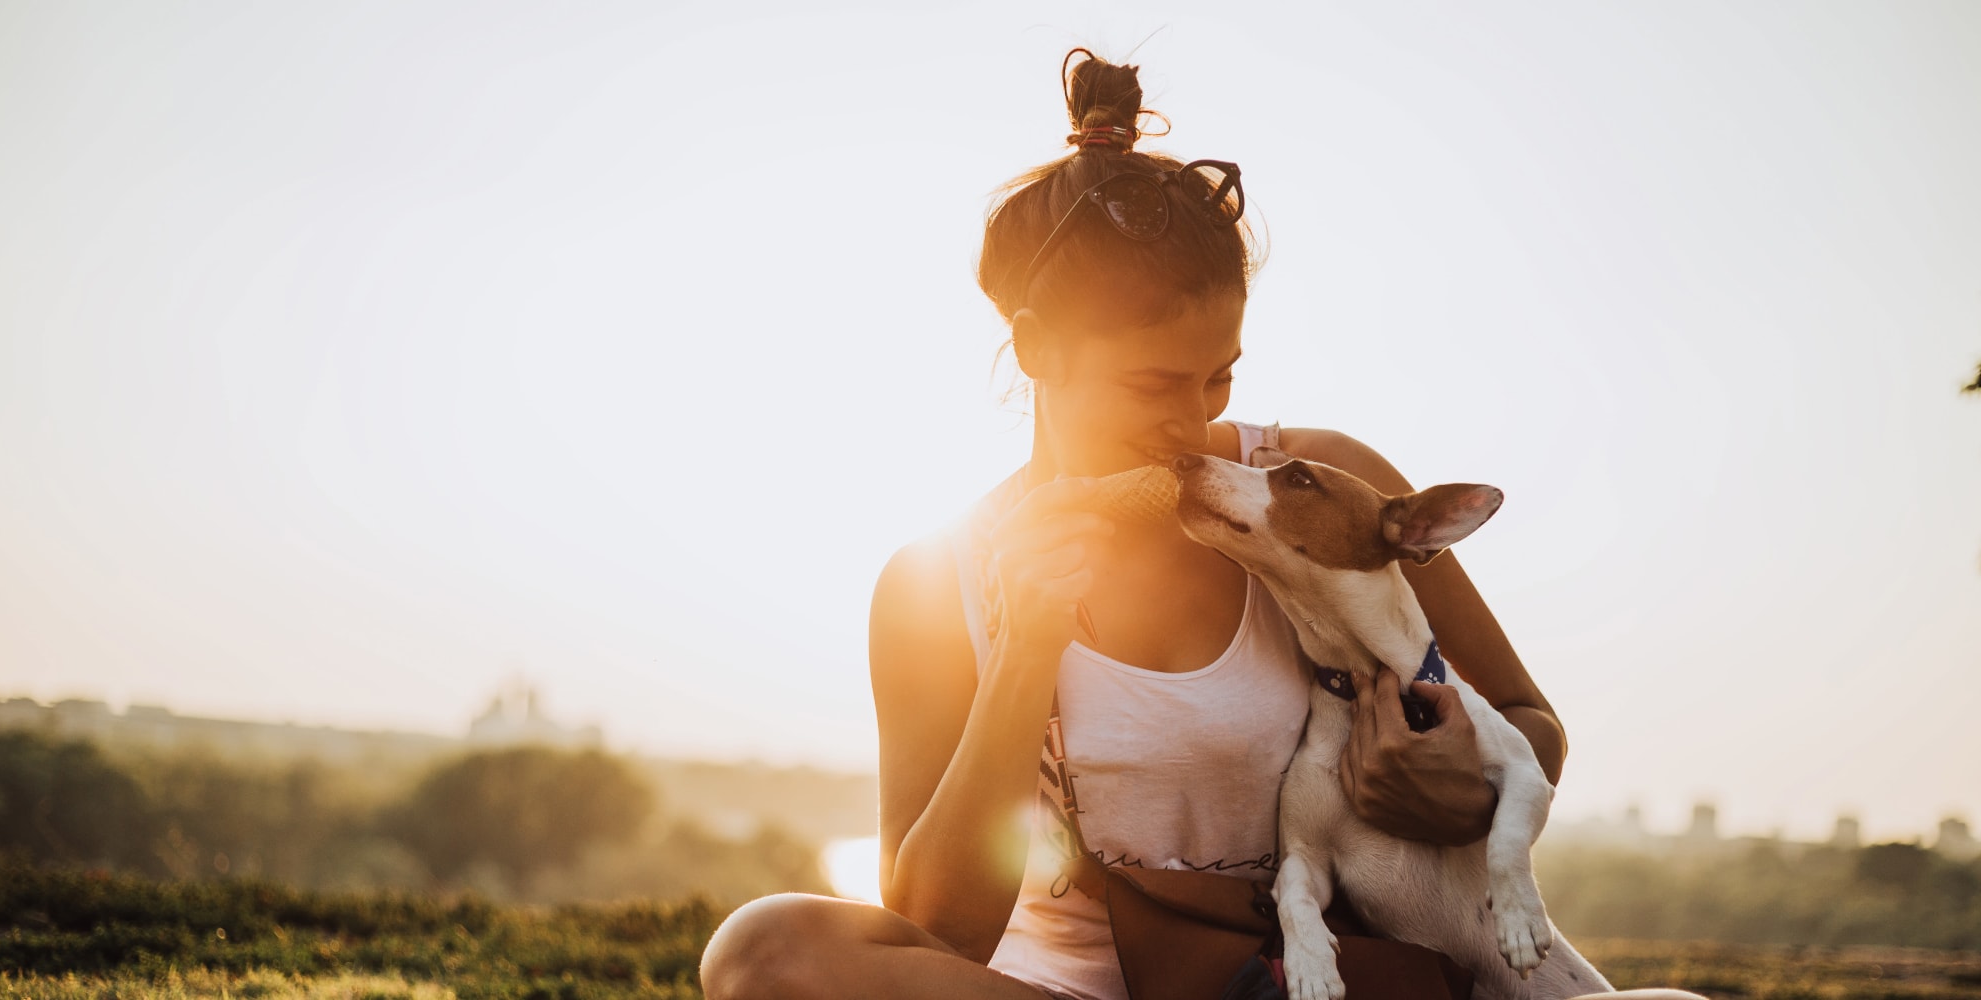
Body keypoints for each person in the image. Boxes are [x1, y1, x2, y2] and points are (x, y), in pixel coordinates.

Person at [702, 50, 1674, 1000]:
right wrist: (1022, 649)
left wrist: (1456, 783)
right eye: (1153, 384)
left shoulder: (1319, 493)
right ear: (1037, 346)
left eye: (1218, 374)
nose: (1192, 417)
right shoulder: (932, 579)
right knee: (769, 951)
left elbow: (1531, 726)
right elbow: (939, 927)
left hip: (1315, 976)